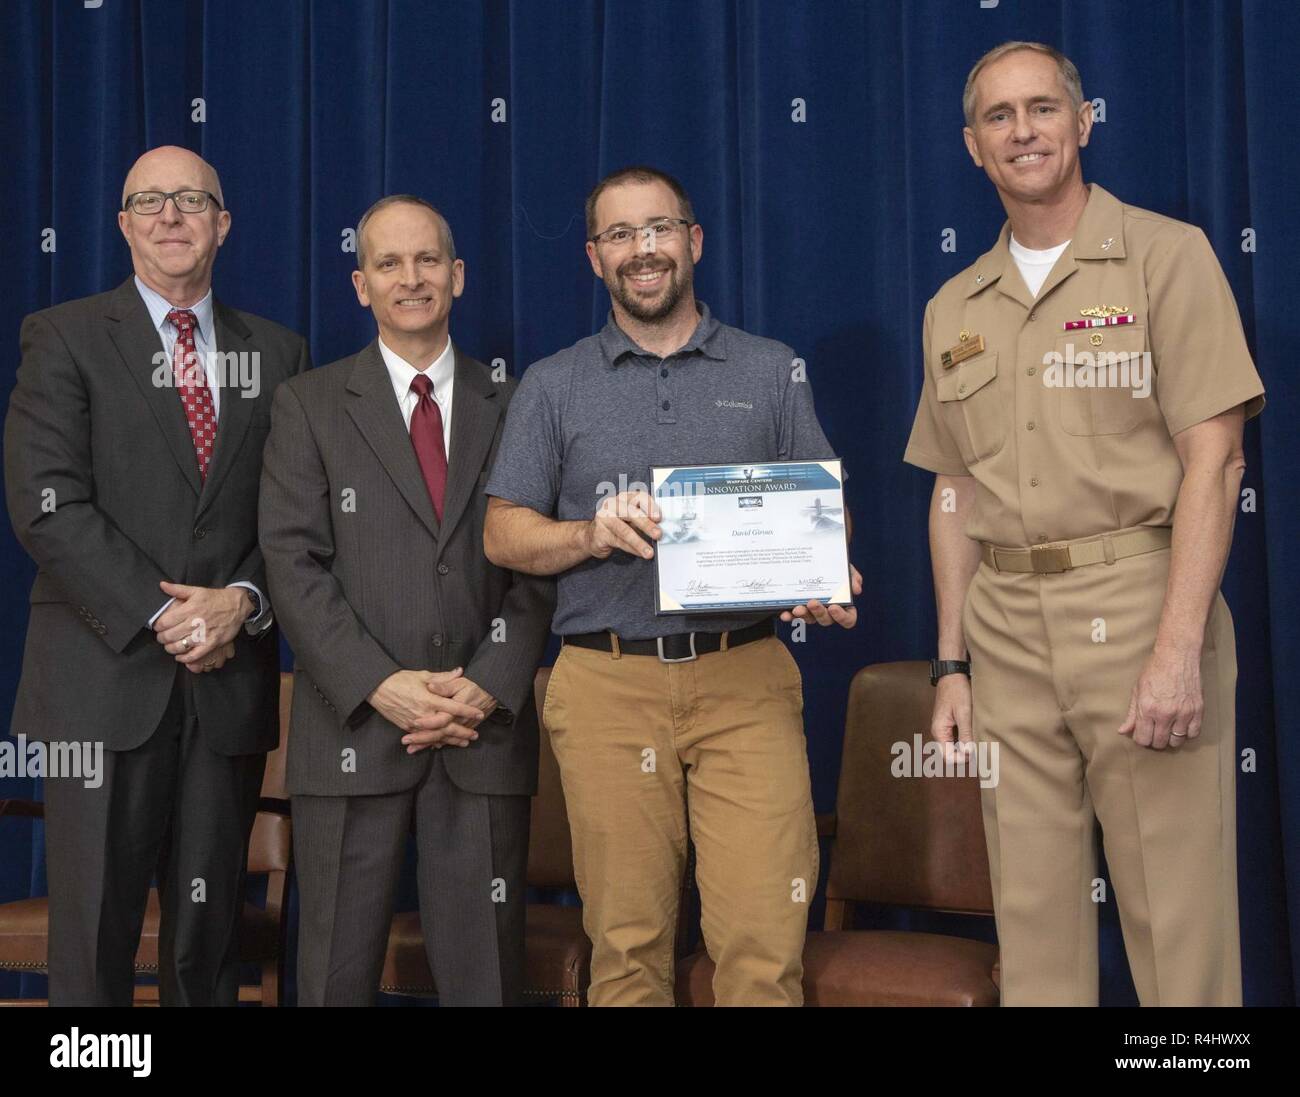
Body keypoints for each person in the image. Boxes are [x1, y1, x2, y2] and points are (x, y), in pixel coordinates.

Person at [905, 41, 1264, 1005]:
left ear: (1082, 120)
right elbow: (954, 494)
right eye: (999, 117)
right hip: (1007, 630)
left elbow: (1215, 459)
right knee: (1031, 937)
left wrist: (1179, 646)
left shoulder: (1166, 256)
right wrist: (951, 664)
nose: (1023, 131)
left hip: (1142, 608)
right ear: (973, 147)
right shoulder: (955, 306)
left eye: (1042, 109)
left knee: (1177, 929)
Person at [483, 166, 862, 1006]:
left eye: (658, 229)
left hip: (746, 679)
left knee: (764, 947)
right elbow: (501, 530)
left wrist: (826, 577)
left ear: (692, 241)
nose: (641, 249)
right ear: (594, 258)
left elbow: (817, 514)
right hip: (606, 682)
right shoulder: (553, 382)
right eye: (619, 235)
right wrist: (587, 532)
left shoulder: (772, 370)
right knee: (626, 950)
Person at [4, 145, 309, 1005]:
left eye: (190, 200)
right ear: (123, 225)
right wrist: (164, 614)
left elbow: (296, 518)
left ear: (223, 223)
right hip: (103, 684)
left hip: (226, 689)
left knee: (205, 948)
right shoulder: (63, 336)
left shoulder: (280, 355)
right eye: (149, 201)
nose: (170, 216)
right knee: (95, 937)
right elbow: (46, 503)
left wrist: (241, 603)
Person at [259, 195, 554, 1006]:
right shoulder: (308, 404)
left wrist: (488, 683)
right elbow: (292, 562)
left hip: (480, 729)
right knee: (329, 979)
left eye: (427, 260)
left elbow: (539, 562)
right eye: (388, 263)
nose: (410, 278)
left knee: (485, 980)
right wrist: (381, 684)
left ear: (456, 276)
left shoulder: (518, 397)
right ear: (361, 285)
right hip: (353, 729)